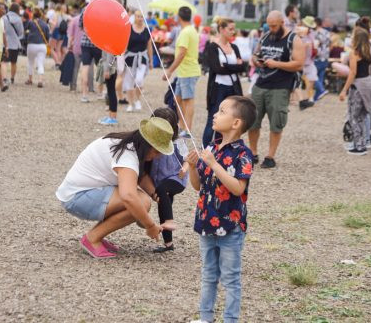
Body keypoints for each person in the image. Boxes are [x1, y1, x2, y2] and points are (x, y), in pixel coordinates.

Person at [55, 116, 175, 259]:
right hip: (76, 198)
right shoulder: (127, 156)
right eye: (157, 151)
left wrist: (156, 195)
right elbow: (128, 197)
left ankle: (97, 234)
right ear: (147, 145)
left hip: (79, 192)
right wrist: (150, 226)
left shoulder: (128, 142)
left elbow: (139, 177)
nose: (158, 156)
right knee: (140, 202)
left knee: (141, 201)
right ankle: (92, 238)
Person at [187, 96, 257, 323]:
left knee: (230, 278)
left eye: (222, 111)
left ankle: (230, 319)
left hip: (230, 226)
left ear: (236, 123)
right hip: (207, 221)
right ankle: (205, 318)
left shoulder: (243, 154)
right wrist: (192, 167)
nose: (215, 115)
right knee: (208, 275)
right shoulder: (211, 148)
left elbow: (237, 188)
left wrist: (214, 164)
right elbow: (198, 186)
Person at [248, 10, 305, 169]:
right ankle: (253, 153)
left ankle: (270, 156)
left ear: (282, 23)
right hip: (260, 84)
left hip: (280, 87)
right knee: (252, 120)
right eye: (269, 25)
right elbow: (255, 54)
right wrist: (256, 61)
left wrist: (277, 64)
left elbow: (299, 63)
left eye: (274, 26)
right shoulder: (266, 36)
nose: (271, 28)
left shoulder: (294, 39)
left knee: (276, 123)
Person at [148, 107, 189, 253]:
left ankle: (170, 221)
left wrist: (185, 168)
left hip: (176, 178)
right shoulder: (151, 140)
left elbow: (186, 159)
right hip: (159, 180)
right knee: (163, 206)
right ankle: (168, 244)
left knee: (162, 191)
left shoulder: (178, 141)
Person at [203, 19, 245, 147]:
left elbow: (242, 67)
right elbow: (217, 69)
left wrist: (226, 65)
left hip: (233, 88)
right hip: (218, 88)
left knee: (229, 120)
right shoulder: (212, 47)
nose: (233, 32)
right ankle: (206, 150)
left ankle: (221, 149)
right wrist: (234, 66)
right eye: (230, 29)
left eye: (234, 29)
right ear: (221, 29)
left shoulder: (234, 47)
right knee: (213, 119)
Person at [165, 6, 201, 138]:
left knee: (187, 100)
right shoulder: (190, 30)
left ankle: (187, 129)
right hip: (184, 71)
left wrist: (169, 71)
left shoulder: (186, 32)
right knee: (177, 99)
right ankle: (182, 125)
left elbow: (181, 54)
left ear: (179, 17)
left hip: (188, 71)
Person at [339, 28, 371, 155]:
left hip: (358, 85)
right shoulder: (369, 51)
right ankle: (362, 142)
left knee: (354, 116)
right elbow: (369, 69)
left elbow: (352, 73)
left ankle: (359, 147)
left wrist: (344, 90)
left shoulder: (354, 53)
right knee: (363, 115)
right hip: (368, 83)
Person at [123, 10, 153, 112]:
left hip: (142, 58)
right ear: (134, 17)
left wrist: (151, 61)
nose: (140, 19)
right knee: (129, 82)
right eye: (138, 17)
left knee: (139, 80)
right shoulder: (129, 29)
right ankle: (130, 103)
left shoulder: (146, 30)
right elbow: (125, 44)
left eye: (141, 17)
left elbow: (149, 46)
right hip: (130, 58)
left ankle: (137, 100)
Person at [80, 0, 104, 103]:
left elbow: (80, 25)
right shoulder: (103, 11)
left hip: (85, 43)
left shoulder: (85, 9)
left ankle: (84, 94)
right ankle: (100, 93)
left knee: (85, 67)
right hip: (98, 43)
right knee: (100, 68)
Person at [25, 7, 50, 88]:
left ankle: (30, 79)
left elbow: (25, 31)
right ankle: (40, 80)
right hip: (42, 45)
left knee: (30, 62)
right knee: (40, 63)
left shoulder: (30, 22)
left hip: (31, 45)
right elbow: (47, 36)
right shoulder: (45, 24)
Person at [1, 2, 24, 85]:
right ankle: (12, 78)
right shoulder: (18, 19)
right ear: (17, 10)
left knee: (4, 62)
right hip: (15, 44)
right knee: (13, 62)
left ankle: (4, 78)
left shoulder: (4, 17)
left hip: (5, 43)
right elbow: (21, 32)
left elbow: (1, 29)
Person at [299, 16, 318, 108]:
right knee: (297, 81)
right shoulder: (298, 33)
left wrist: (315, 48)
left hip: (310, 60)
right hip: (300, 61)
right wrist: (304, 46)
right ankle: (301, 98)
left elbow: (314, 44)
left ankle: (308, 97)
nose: (309, 28)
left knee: (312, 78)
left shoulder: (312, 34)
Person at [97, 49, 119, 126]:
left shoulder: (109, 44)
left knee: (111, 92)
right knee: (109, 92)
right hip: (110, 68)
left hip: (110, 70)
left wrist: (107, 70)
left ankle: (113, 117)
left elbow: (110, 57)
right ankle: (110, 115)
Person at [313, 17, 331, 101]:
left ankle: (321, 90)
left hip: (318, 57)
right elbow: (329, 43)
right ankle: (316, 97)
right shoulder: (327, 32)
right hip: (326, 56)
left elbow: (315, 45)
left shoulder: (315, 33)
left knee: (313, 76)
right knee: (320, 76)